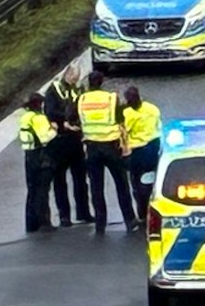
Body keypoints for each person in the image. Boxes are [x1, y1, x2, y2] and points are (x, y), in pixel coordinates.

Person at [76, 70, 137, 233]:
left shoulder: (81, 99)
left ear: (89, 83)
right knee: (121, 184)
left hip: (92, 148)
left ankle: (100, 223)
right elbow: (121, 119)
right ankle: (129, 220)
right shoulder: (111, 98)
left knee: (96, 188)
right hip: (111, 146)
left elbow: (72, 117)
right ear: (102, 82)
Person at [42, 66, 89, 227]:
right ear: (67, 74)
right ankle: (64, 216)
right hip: (59, 141)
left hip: (76, 139)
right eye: (74, 77)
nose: (76, 80)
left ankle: (83, 212)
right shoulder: (54, 90)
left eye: (78, 78)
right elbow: (50, 111)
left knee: (81, 179)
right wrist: (66, 121)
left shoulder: (79, 90)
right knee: (60, 180)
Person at [18, 95, 57, 233]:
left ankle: (31, 223)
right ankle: (44, 222)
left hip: (29, 156)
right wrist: (54, 129)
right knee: (42, 190)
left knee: (32, 190)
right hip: (41, 157)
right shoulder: (39, 118)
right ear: (39, 104)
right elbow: (45, 138)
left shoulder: (25, 117)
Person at [123, 87, 165, 213]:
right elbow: (159, 126)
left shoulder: (127, 113)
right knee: (153, 178)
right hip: (153, 147)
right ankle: (153, 207)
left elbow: (124, 131)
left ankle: (142, 211)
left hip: (136, 151)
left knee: (137, 182)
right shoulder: (152, 108)